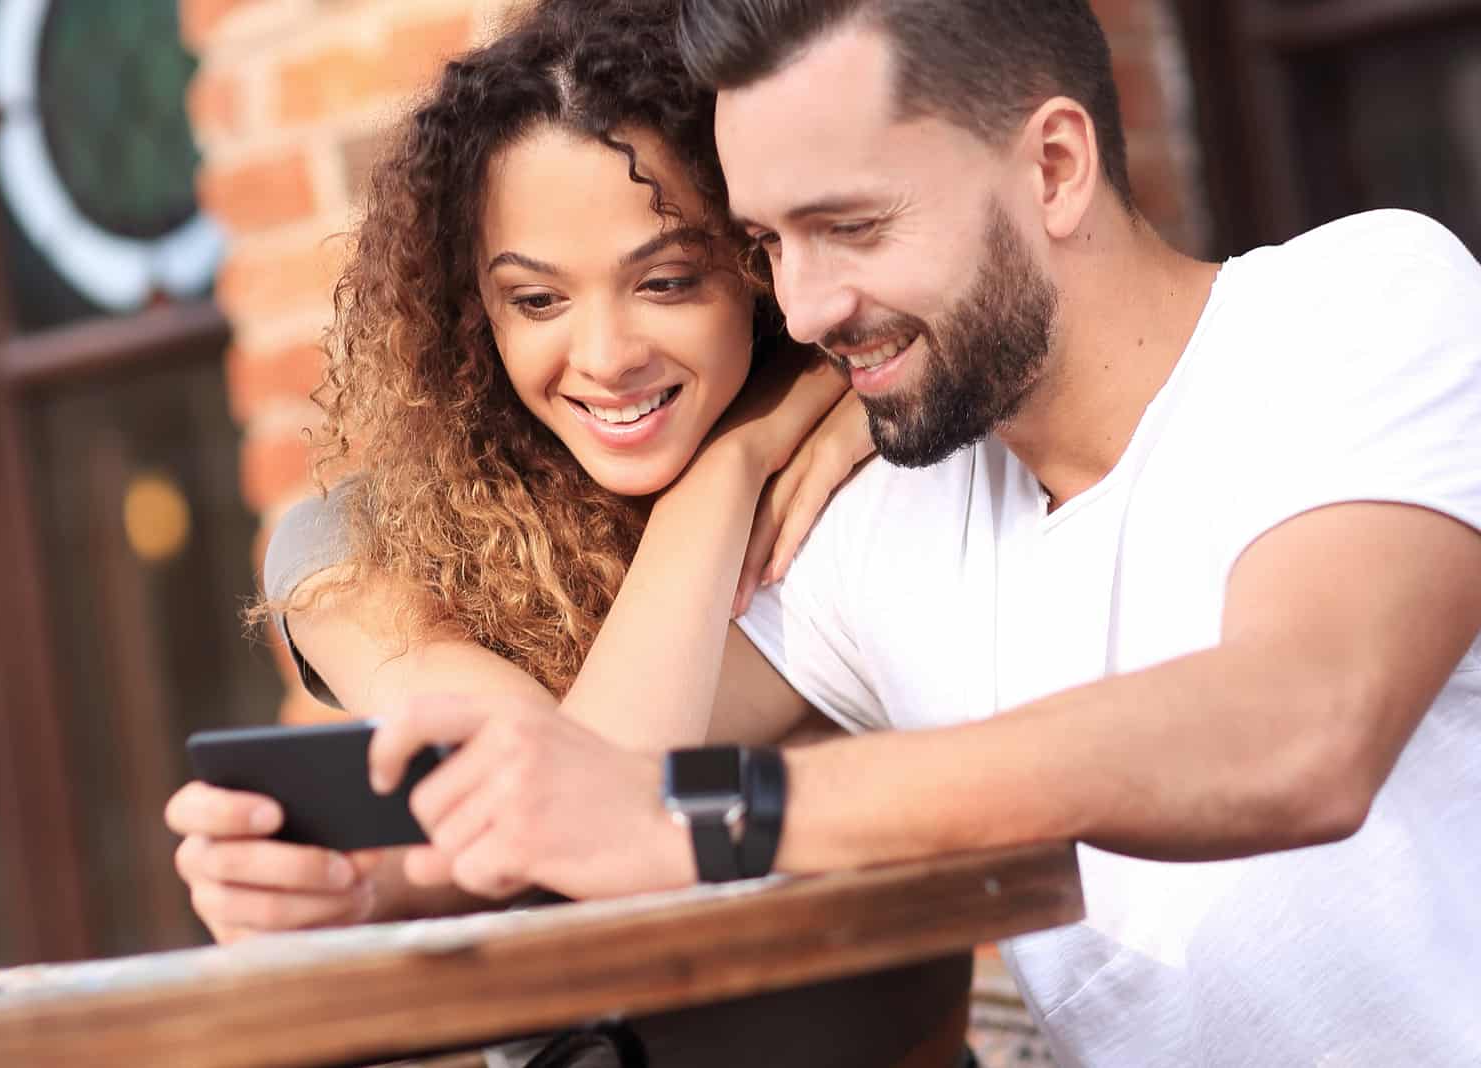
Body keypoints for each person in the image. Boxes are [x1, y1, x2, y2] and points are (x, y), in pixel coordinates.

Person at [357, 1, 1481, 1065]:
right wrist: (735, 461)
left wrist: (733, 819)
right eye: (768, 245)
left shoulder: (1359, 306)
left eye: (850, 227)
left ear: (1052, 168)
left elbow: (1300, 732)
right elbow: (596, 805)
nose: (801, 310)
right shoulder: (884, 518)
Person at [165, 2, 970, 1065]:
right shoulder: (353, 553)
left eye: (667, 281)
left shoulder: (850, 489)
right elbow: (562, 802)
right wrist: (726, 474)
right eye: (537, 299)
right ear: (472, 315)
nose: (605, 355)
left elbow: (578, 807)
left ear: (756, 266)